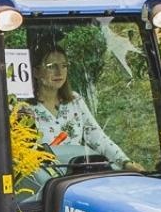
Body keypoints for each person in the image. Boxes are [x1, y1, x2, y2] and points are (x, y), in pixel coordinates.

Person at [27, 41, 138, 170]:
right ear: (36, 72)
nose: (59, 72)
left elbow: (98, 138)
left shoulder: (75, 101)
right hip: (45, 179)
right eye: (52, 66)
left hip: (77, 176)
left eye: (64, 66)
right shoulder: (24, 108)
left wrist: (125, 163)